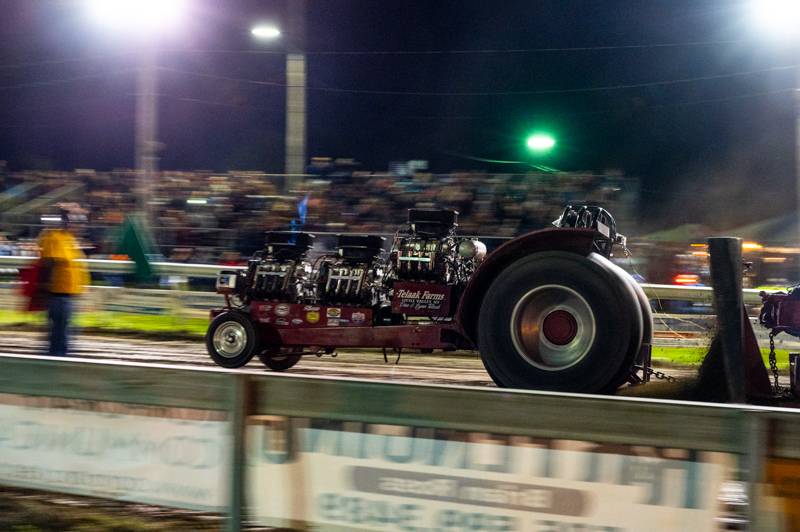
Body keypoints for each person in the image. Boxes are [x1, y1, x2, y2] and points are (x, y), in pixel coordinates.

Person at [37, 206, 89, 356]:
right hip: (58, 294)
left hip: (68, 294)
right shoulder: (54, 238)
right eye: (76, 222)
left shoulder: (69, 239)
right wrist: (45, 291)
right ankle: (56, 359)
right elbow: (49, 264)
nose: (80, 226)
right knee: (60, 333)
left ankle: (59, 357)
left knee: (64, 331)